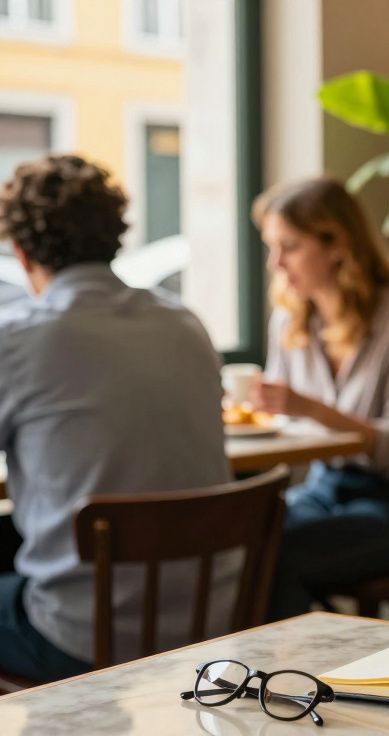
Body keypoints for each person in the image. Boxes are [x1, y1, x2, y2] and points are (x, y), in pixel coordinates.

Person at [0, 155, 231, 680]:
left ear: (22, 252)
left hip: (83, 636)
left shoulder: (19, 338)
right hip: (214, 617)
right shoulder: (184, 322)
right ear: (114, 238)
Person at [252, 177, 389, 620]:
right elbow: (280, 426)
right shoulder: (289, 322)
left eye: (289, 247)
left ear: (337, 244)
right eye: (272, 247)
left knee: (278, 554)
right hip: (325, 489)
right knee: (242, 540)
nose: (275, 263)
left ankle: (296, 663)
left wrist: (309, 408)